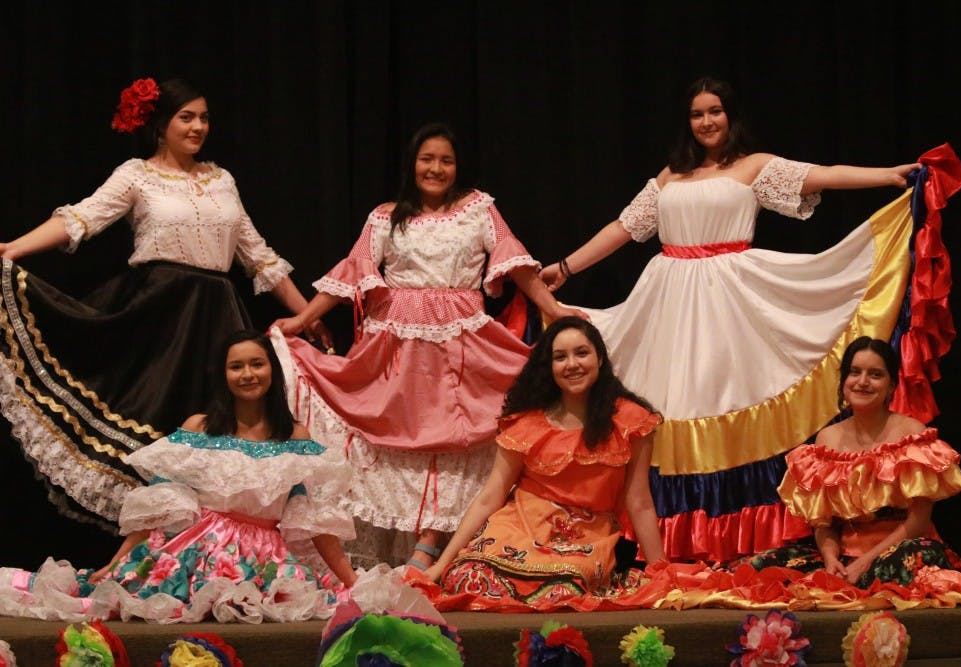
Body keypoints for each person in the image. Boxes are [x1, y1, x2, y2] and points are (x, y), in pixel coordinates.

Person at [538, 76, 942, 563]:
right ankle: (675, 541)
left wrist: (886, 175)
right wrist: (565, 268)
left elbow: (822, 174)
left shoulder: (752, 167)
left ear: (730, 116)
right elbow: (623, 228)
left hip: (730, 297)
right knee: (675, 402)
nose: (707, 122)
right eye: (697, 114)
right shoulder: (670, 177)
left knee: (728, 394)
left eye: (715, 111)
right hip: (669, 302)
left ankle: (743, 536)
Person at [0, 77, 325, 532]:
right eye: (186, 117)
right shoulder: (137, 175)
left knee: (216, 422)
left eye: (204, 118)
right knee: (158, 415)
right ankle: (151, 539)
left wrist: (307, 315)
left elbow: (258, 256)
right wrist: (12, 248)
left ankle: (216, 540)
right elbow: (82, 218)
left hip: (215, 313)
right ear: (160, 125)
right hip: (159, 312)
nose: (198, 127)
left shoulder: (221, 179)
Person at [271, 122, 584, 570]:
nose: (436, 168)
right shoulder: (385, 215)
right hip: (395, 345)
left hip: (461, 339)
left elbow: (516, 264)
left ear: (458, 167)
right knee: (398, 437)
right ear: (412, 164)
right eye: (427, 159)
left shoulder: (478, 208)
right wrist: (303, 320)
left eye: (446, 160)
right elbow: (355, 269)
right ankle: (405, 544)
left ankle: (432, 540)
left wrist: (555, 308)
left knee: (455, 437)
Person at [0, 330, 357, 623]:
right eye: (236, 366)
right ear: (223, 375)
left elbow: (311, 518)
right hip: (198, 548)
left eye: (256, 364)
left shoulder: (294, 436)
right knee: (138, 599)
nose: (247, 374)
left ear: (272, 371)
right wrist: (116, 561)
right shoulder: (200, 427)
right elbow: (162, 500)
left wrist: (352, 581)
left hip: (264, 557)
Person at [417, 316, 667, 610]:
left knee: (562, 591)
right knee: (467, 577)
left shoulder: (630, 421)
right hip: (517, 527)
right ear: (549, 367)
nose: (571, 364)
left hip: (585, 539)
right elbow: (490, 496)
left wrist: (659, 572)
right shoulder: (526, 424)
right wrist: (441, 564)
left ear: (599, 358)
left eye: (581, 353)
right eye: (560, 357)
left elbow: (639, 502)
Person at [741, 336, 961, 588]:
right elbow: (823, 523)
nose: (862, 381)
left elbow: (918, 521)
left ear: (891, 385)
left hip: (902, 550)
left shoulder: (911, 432)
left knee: (910, 560)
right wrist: (830, 559)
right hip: (845, 558)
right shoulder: (827, 438)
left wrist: (865, 562)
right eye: (855, 372)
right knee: (762, 565)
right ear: (844, 381)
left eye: (875, 374)